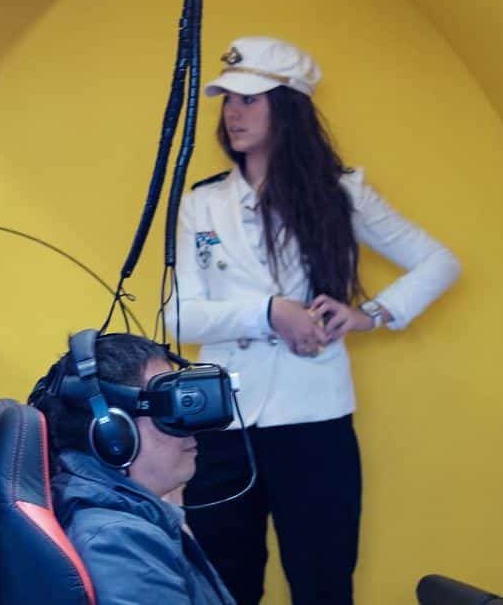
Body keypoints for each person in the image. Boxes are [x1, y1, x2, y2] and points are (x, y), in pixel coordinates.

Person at [167, 36, 461, 604]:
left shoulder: (339, 193)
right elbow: (179, 316)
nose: (233, 112)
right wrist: (271, 312)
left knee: (323, 584)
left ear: (290, 107)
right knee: (220, 588)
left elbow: (439, 262)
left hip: (314, 420)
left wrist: (369, 314)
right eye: (227, 98)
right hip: (223, 427)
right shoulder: (201, 202)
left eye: (251, 99)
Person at [30, 332, 235, 605]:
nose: (190, 428)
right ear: (114, 434)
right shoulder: (118, 542)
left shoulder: (126, 518)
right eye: (170, 412)